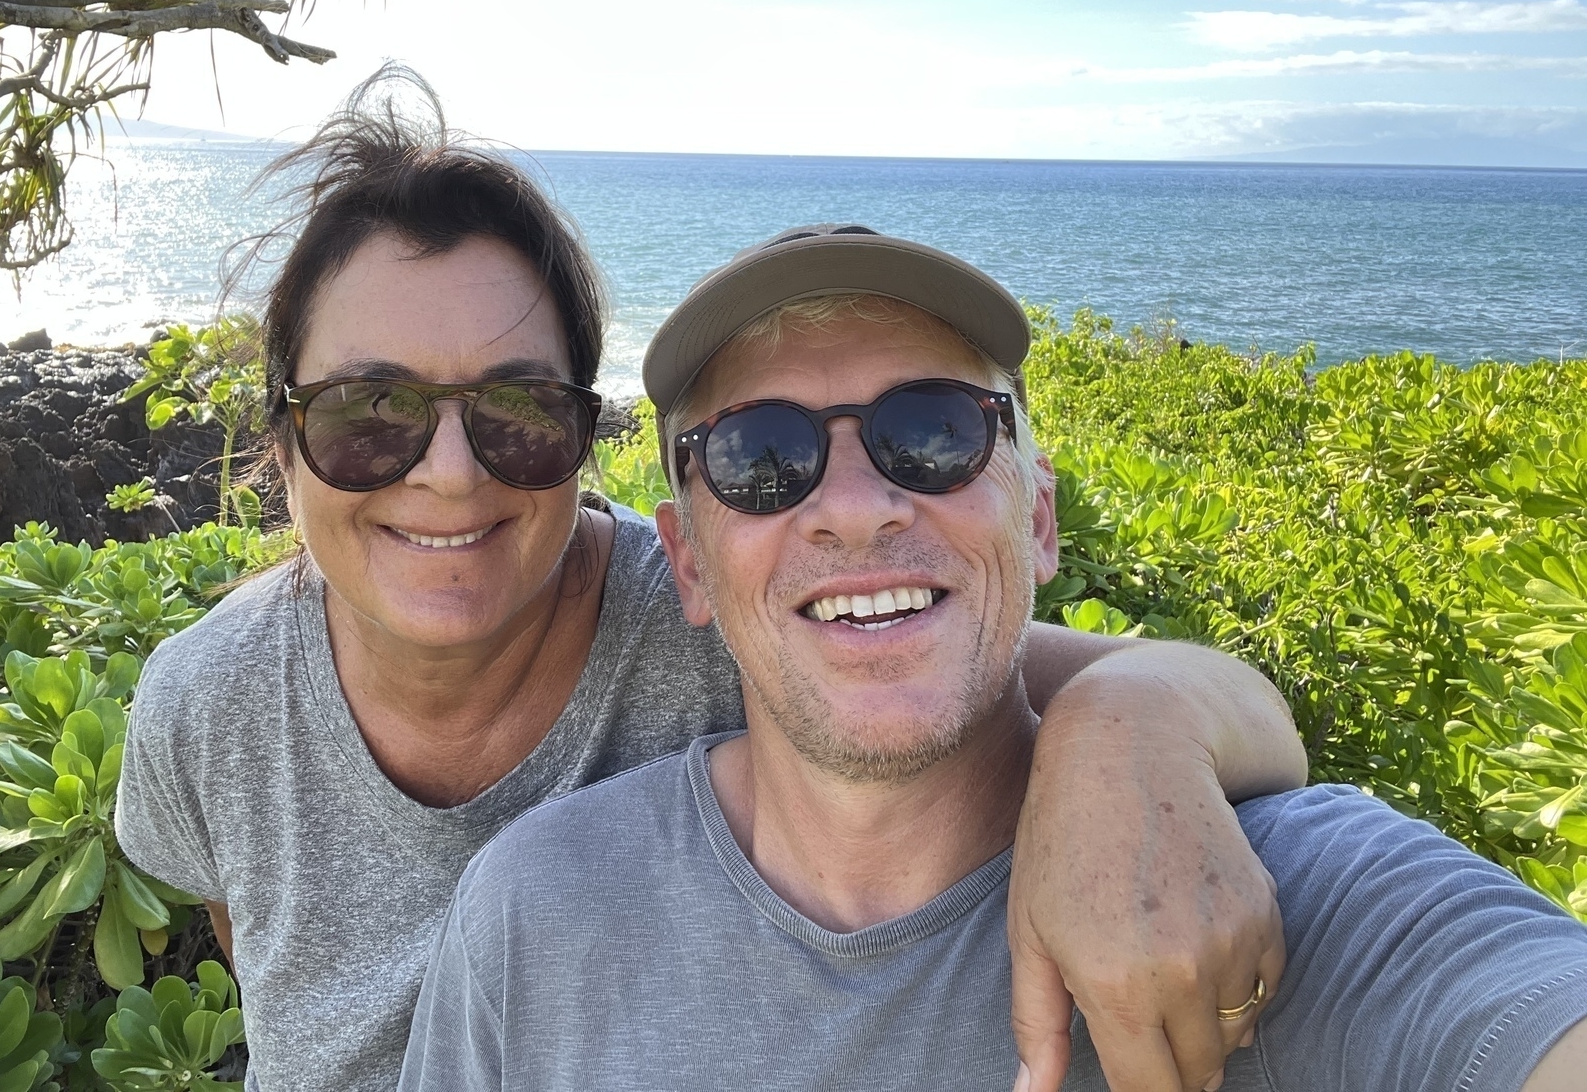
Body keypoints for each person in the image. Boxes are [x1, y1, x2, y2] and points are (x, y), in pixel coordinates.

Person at [115, 73, 1309, 1092]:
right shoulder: (209, 703)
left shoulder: (721, 622)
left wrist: (1124, 728)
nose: (446, 473)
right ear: (280, 445)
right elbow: (257, 959)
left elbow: (1156, 689)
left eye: (517, 410)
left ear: (586, 444)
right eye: (368, 411)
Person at [398, 225, 1587, 1092]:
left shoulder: (1276, 894)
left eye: (934, 434)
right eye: (762, 457)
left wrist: (1132, 712)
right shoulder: (533, 917)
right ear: (692, 563)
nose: (855, 510)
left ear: (1040, 519)